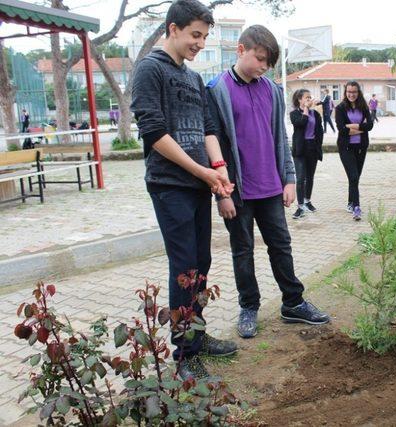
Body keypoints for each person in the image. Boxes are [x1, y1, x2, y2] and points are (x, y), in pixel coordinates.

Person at [130, 0, 238, 381]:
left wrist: (218, 175)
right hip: (169, 184)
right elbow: (154, 132)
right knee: (184, 269)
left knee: (202, 263)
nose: (199, 43)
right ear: (172, 29)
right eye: (195, 35)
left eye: (205, 37)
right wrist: (202, 172)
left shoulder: (193, 79)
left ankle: (198, 335)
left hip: (198, 185)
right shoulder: (149, 71)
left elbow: (209, 129)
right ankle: (184, 355)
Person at [205, 25, 330, 340]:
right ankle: (249, 306)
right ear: (241, 49)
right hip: (237, 190)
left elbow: (280, 139)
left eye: (268, 62)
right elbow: (212, 143)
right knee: (242, 250)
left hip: (271, 187)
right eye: (259, 59)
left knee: (281, 246)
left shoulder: (272, 90)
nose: (262, 66)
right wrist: (221, 193)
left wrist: (289, 179)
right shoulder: (216, 89)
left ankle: (293, 302)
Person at [335, 80, 374, 221]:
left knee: (355, 177)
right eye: (349, 92)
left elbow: (369, 126)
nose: (351, 94)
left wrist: (352, 127)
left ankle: (350, 202)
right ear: (345, 92)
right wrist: (360, 128)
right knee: (353, 177)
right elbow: (342, 130)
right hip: (346, 147)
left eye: (354, 92)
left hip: (361, 147)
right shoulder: (340, 108)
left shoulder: (364, 107)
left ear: (358, 92)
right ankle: (356, 207)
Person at [289, 88, 324, 220]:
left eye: (310, 97)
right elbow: (301, 123)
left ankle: (307, 201)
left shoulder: (316, 114)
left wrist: (318, 145)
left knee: (310, 177)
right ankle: (300, 206)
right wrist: (305, 110)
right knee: (300, 178)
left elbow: (320, 131)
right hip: (300, 149)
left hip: (312, 149)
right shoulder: (294, 114)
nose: (309, 99)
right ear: (299, 100)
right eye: (306, 98)